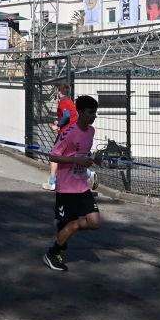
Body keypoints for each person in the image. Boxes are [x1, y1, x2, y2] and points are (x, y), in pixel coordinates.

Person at [43, 95, 102, 272]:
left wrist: (94, 159)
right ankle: (52, 254)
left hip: (81, 185)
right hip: (67, 187)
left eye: (95, 113)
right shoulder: (69, 132)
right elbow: (53, 156)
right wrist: (75, 161)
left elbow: (83, 154)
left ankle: (65, 227)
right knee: (73, 224)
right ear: (81, 112)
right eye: (91, 112)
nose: (94, 116)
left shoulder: (91, 131)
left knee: (95, 222)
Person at [42, 84, 76, 191]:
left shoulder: (62, 102)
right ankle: (88, 175)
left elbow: (66, 115)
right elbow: (72, 116)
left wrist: (58, 125)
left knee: (54, 156)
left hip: (65, 134)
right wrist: (60, 122)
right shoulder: (70, 102)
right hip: (74, 133)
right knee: (67, 158)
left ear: (59, 92)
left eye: (57, 91)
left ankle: (52, 183)